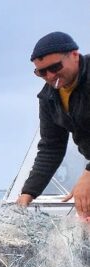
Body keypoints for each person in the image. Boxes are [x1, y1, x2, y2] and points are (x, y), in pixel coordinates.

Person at [17, 31, 90, 217]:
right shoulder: (49, 97)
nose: (50, 76)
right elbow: (51, 147)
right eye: (41, 72)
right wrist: (28, 192)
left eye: (55, 67)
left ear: (74, 55)